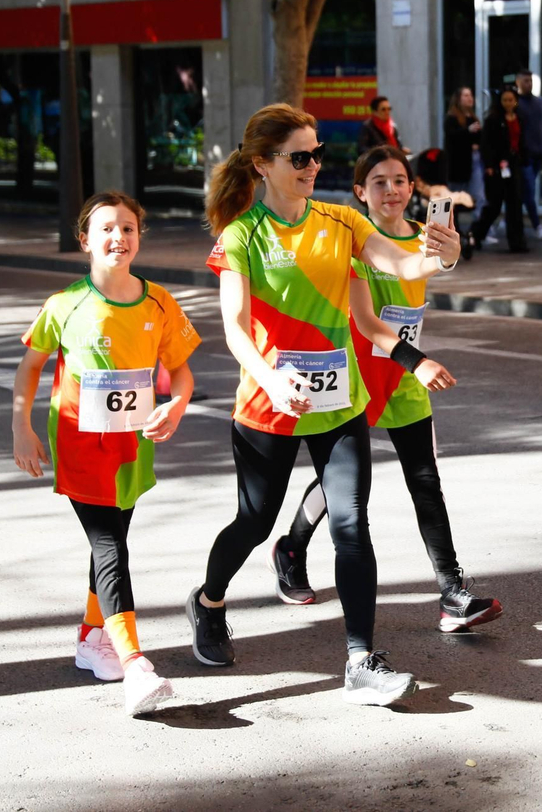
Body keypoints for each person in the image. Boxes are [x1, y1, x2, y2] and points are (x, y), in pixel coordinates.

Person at [191, 103, 463, 708]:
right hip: (269, 405)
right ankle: (208, 601)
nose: (313, 165)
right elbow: (234, 328)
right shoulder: (241, 236)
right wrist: (270, 379)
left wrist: (441, 255)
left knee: (350, 523)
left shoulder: (341, 221)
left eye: (317, 154)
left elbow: (401, 261)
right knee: (255, 521)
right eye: (299, 157)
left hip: (340, 404)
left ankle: (361, 660)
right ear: (262, 165)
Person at [270, 146, 502, 632]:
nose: (391, 190)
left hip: (405, 375)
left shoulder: (422, 236)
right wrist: (417, 360)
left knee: (426, 481)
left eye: (399, 180)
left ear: (413, 188)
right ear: (360, 192)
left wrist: (450, 255)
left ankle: (453, 593)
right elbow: (365, 321)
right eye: (379, 182)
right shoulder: (352, 242)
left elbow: (432, 266)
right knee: (343, 485)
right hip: (361, 373)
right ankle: (291, 547)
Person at [11, 191, 200, 717]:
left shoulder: (159, 302)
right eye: (107, 229)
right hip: (80, 444)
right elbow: (30, 366)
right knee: (111, 546)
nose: (119, 237)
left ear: (140, 236)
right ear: (85, 241)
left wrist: (176, 405)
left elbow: (180, 370)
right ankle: (136, 666)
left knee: (110, 545)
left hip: (132, 447)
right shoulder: (65, 304)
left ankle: (92, 637)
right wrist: (21, 428)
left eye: (128, 228)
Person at [467, 87, 527, 253]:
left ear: (516, 101)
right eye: (505, 100)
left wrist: (523, 157)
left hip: (514, 165)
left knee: (515, 204)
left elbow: (522, 141)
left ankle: (517, 242)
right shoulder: (493, 120)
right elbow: (487, 145)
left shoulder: (520, 118)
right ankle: (476, 235)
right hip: (496, 167)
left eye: (511, 100)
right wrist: (489, 166)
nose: (508, 103)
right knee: (494, 205)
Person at [513, 68, 542, 241]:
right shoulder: (515, 104)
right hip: (524, 156)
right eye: (525, 81)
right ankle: (537, 225)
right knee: (529, 191)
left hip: (538, 153)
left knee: (524, 191)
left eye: (530, 81)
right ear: (518, 82)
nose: (529, 84)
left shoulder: (539, 102)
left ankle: (509, 219)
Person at [442, 87, 485, 216]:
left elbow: (479, 138)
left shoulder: (473, 118)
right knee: (454, 198)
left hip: (473, 160)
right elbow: (452, 137)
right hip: (457, 164)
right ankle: (452, 224)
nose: (470, 98)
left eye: (471, 95)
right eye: (466, 95)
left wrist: (477, 143)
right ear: (459, 99)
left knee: (478, 195)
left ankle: (478, 224)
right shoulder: (451, 118)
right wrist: (468, 131)